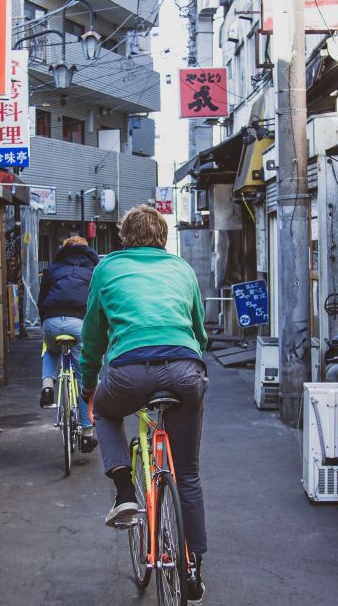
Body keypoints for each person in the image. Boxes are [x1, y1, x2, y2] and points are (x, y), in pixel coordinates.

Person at [80, 205, 209, 603]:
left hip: (129, 372)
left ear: (124, 237)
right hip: (185, 370)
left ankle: (124, 493)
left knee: (104, 410)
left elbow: (94, 336)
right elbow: (199, 331)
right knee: (187, 473)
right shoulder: (182, 269)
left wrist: (88, 385)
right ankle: (193, 571)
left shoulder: (105, 269)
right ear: (164, 237)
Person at [37, 236, 100, 453]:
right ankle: (86, 433)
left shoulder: (53, 269)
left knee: (50, 349)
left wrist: (44, 322)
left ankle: (47, 386)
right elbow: (97, 303)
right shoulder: (94, 271)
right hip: (79, 323)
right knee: (85, 378)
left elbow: (42, 299)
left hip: (52, 321)